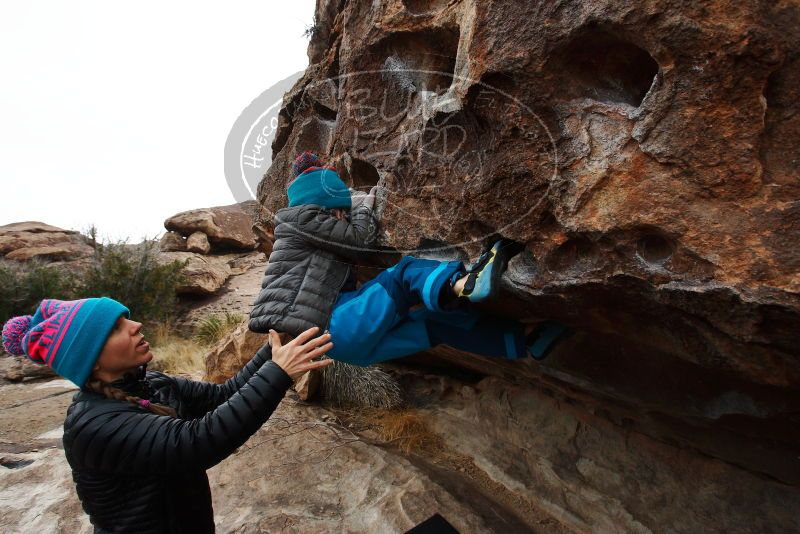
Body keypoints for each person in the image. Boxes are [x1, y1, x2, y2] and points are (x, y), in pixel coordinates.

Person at [1, 297, 333, 533]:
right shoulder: (93, 426)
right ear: (92, 361)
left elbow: (223, 396)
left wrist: (273, 348)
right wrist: (278, 372)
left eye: (126, 317)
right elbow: (197, 442)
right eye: (116, 328)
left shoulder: (151, 383)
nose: (135, 325)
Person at [249, 152, 569, 366]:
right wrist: (362, 209)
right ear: (322, 204)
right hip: (332, 329)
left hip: (340, 348)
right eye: (339, 211)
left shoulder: (294, 232)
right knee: (403, 276)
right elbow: (361, 241)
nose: (341, 217)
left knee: (434, 325)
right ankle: (467, 282)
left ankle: (525, 341)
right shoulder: (299, 218)